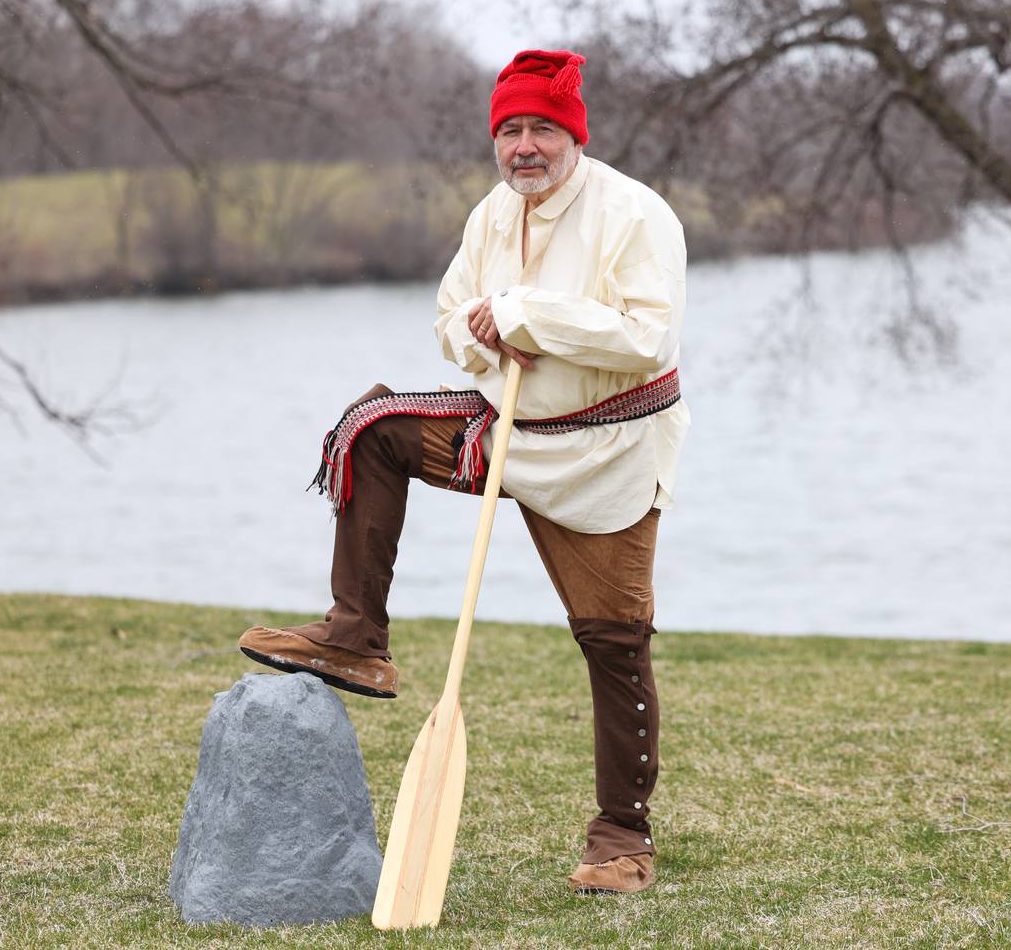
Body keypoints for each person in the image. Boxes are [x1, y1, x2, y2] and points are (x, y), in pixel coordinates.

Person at [238, 48, 689, 897]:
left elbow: (650, 340)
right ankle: (356, 637)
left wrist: (529, 315)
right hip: (503, 429)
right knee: (373, 430)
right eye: (510, 130)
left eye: (542, 130)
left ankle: (622, 839)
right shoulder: (492, 214)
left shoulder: (635, 213)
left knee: (615, 643)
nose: (525, 146)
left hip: (605, 452)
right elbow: (450, 316)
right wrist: (482, 332)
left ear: (573, 137)